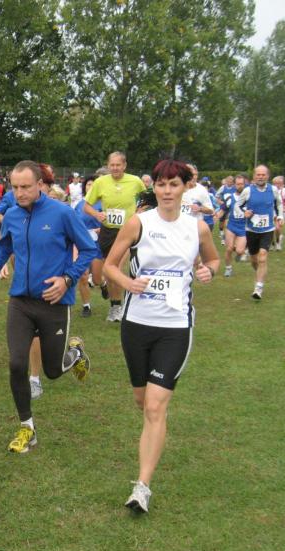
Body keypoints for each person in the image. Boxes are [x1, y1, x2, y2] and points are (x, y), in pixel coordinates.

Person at [103, 158, 219, 513]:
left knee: (155, 406)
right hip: (136, 325)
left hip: (175, 327)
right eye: (161, 184)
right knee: (143, 402)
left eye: (174, 184)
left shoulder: (197, 228)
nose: (167, 191)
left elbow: (213, 261)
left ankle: (142, 487)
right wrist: (127, 283)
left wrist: (209, 272)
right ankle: (153, 427)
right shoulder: (139, 223)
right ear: (154, 187)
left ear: (186, 187)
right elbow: (109, 266)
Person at [0, 160, 97, 454]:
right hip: (20, 301)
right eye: (15, 187)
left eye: (26, 187)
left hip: (53, 302)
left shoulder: (62, 213)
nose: (19, 193)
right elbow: (4, 246)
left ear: (40, 185)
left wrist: (67, 279)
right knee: (16, 364)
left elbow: (89, 249)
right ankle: (27, 428)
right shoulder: (12, 215)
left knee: (53, 370)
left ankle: (75, 353)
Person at [82, 151, 147, 322]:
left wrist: (139, 211)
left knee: (115, 267)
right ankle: (114, 302)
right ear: (108, 165)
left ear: (124, 165)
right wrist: (97, 214)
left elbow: (148, 200)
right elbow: (86, 207)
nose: (115, 168)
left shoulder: (135, 181)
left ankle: (118, 307)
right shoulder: (101, 182)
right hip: (107, 231)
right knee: (106, 273)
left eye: (118, 165)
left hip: (128, 231)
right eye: (112, 165)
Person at [240, 165, 278, 300]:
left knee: (263, 257)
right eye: (258, 174)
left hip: (268, 229)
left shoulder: (273, 190)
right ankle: (260, 274)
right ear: (254, 176)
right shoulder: (247, 191)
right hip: (251, 229)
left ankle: (258, 287)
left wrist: (280, 216)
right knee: (254, 259)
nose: (260, 177)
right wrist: (244, 212)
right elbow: (237, 206)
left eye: (263, 175)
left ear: (268, 176)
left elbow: (279, 204)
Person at [74, 175, 101, 318]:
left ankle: (102, 284)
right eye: (88, 184)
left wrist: (100, 230)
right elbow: (74, 224)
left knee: (96, 279)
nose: (90, 187)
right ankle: (86, 306)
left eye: (93, 185)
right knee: (83, 276)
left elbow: (110, 224)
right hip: (83, 244)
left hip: (98, 244)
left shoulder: (104, 203)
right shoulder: (79, 205)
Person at [215, 174, 248, 277]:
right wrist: (216, 217)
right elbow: (222, 210)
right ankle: (228, 269)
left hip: (243, 228)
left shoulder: (249, 198)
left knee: (240, 250)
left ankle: (239, 254)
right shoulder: (230, 197)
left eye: (241, 184)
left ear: (244, 184)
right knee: (229, 248)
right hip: (231, 226)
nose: (240, 186)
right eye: (238, 184)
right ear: (234, 185)